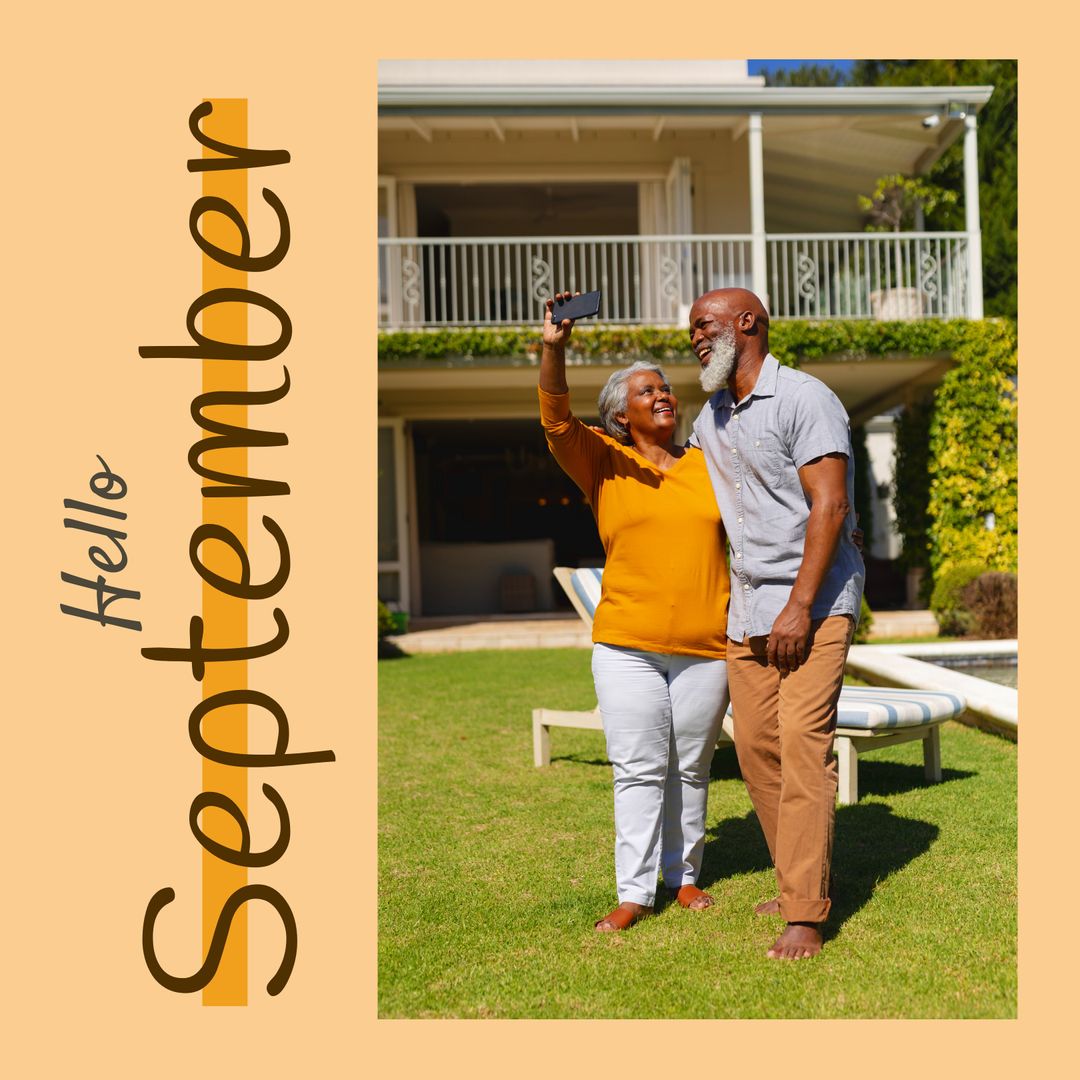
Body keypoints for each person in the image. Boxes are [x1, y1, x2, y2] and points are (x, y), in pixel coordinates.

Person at [538, 292, 731, 932]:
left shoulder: (708, 465)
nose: (664, 396)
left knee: (691, 767)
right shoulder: (602, 461)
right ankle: (634, 891)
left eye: (667, 388)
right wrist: (553, 350)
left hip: (707, 645)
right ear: (621, 415)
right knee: (640, 768)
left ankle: (685, 877)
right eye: (648, 391)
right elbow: (556, 418)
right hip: (627, 645)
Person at [688, 287, 865, 960]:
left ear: (749, 324)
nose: (698, 338)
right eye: (693, 330)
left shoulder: (805, 399)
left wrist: (799, 605)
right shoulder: (713, 417)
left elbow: (829, 504)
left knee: (801, 745)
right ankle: (799, 875)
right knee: (758, 751)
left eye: (707, 325)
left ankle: (804, 911)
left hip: (813, 602)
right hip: (748, 609)